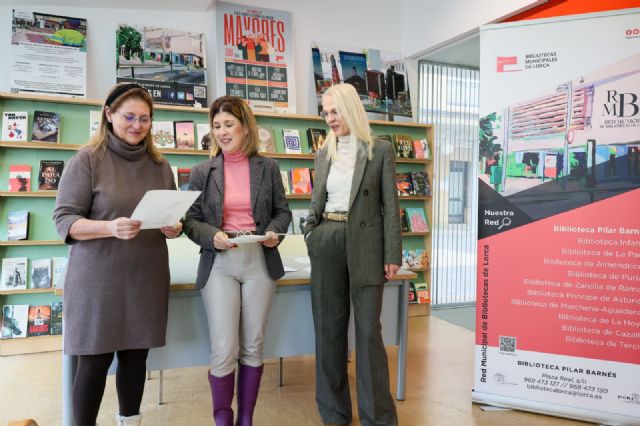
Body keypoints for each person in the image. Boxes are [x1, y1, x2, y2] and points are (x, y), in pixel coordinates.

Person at [53, 83, 182, 426]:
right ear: (109, 115)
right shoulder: (87, 159)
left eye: (145, 118)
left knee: (136, 358)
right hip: (97, 279)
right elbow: (64, 220)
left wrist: (174, 227)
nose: (137, 125)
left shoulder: (160, 165)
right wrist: (109, 227)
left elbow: (168, 214)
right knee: (93, 362)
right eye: (129, 117)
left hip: (146, 276)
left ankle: (130, 421)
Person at [183, 96, 291, 426]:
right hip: (219, 261)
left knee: (254, 345)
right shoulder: (202, 172)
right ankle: (222, 419)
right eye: (217, 126)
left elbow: (282, 212)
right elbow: (190, 220)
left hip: (259, 258)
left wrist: (273, 233)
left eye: (229, 124)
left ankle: (246, 418)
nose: (222, 132)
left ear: (245, 127)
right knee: (224, 347)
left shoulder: (268, 168)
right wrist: (211, 235)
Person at [304, 83, 402, 426]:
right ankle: (334, 415)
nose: (330, 119)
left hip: (367, 244)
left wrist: (392, 253)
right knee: (328, 330)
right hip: (327, 238)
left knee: (368, 333)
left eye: (336, 111)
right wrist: (311, 233)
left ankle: (379, 418)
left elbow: (390, 207)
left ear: (351, 110)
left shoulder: (380, 150)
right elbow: (317, 200)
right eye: (326, 113)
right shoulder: (323, 153)